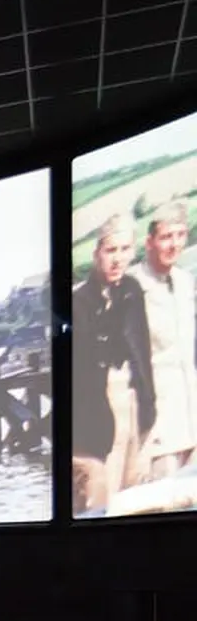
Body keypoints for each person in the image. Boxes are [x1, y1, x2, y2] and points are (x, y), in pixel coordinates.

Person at [72, 214, 155, 511]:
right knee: (103, 497)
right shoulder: (79, 303)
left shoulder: (132, 291)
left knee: (136, 491)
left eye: (124, 250)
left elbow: (142, 349)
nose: (118, 259)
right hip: (100, 406)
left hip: (133, 397)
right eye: (110, 251)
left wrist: (148, 405)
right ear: (96, 254)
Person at [128, 199, 197, 479]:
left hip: (191, 416)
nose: (174, 244)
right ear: (149, 242)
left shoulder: (185, 281)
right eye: (166, 237)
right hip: (157, 426)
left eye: (180, 235)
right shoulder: (133, 286)